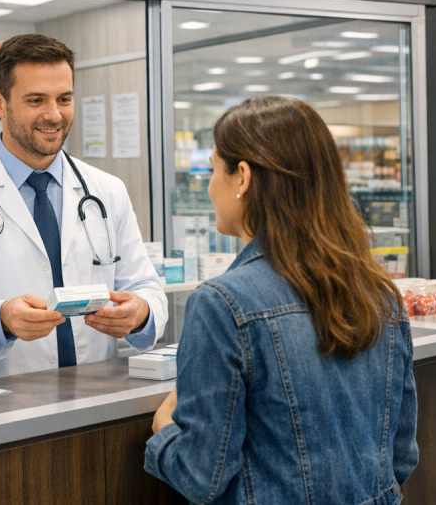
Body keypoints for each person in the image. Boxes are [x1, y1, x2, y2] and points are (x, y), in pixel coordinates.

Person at [145, 96, 417, 505]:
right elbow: (401, 458)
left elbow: (203, 475)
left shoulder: (222, 304)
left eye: (213, 170)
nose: (208, 186)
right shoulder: (378, 292)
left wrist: (164, 429)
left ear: (243, 177)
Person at [0, 34, 167, 382]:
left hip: (98, 401)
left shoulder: (106, 190)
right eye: (36, 100)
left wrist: (141, 312)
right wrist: (0, 318)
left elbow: (147, 287)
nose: (54, 115)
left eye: (64, 98)